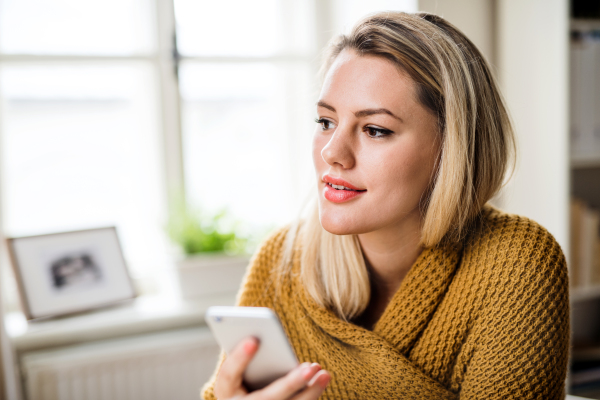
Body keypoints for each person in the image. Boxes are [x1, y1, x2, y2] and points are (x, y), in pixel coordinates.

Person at [202, 11, 569, 400]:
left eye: (375, 129)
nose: (333, 152)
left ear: (452, 149)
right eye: (326, 121)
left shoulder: (516, 263)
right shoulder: (282, 261)